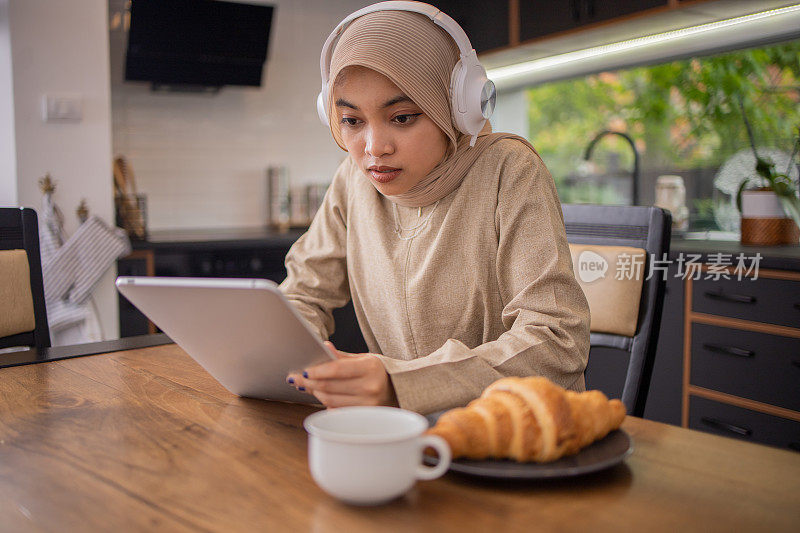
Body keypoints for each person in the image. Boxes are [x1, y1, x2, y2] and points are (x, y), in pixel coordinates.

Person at [282, 1, 589, 414]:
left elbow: (555, 341)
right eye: (352, 121)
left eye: (403, 117)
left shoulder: (509, 169)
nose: (374, 148)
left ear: (457, 107)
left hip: (513, 433)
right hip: (407, 432)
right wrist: (286, 352)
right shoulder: (353, 180)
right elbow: (303, 291)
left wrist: (404, 385)